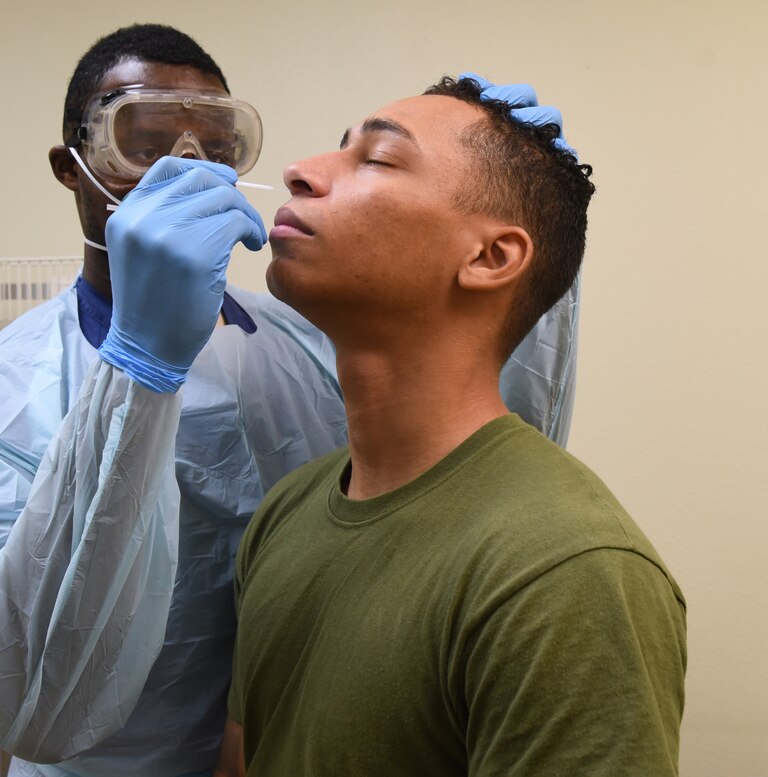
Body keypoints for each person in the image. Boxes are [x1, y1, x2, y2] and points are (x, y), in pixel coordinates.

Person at [0, 22, 578, 777]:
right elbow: (21, 698)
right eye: (144, 142)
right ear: (72, 168)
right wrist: (138, 365)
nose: (187, 168)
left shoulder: (316, 343)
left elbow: (476, 436)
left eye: (217, 145)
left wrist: (540, 217)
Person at [211, 76, 687, 776]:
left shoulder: (567, 570)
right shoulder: (286, 512)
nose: (299, 171)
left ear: (490, 257)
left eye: (377, 158)